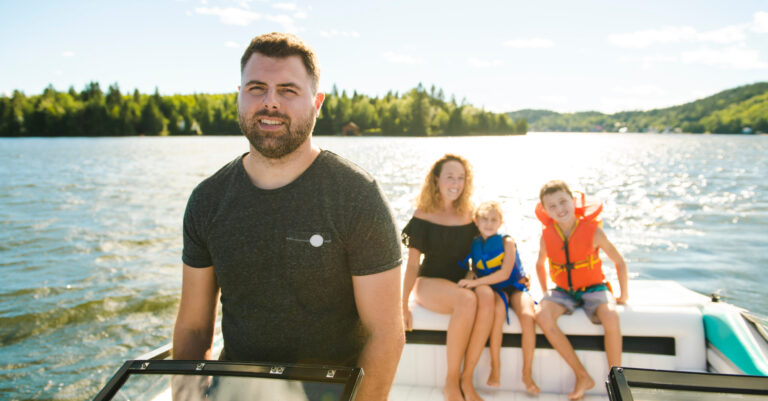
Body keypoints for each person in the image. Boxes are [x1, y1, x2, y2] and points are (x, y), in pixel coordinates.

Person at [172, 32, 405, 401]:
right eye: (256, 88)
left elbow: (386, 335)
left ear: (317, 102)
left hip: (329, 394)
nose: (270, 103)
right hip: (236, 391)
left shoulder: (356, 196)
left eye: (288, 90)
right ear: (239, 96)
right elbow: (194, 328)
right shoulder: (207, 200)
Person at [401, 154, 491, 401]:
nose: (456, 182)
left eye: (461, 178)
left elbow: (486, 251)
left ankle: (467, 379)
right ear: (437, 179)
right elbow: (411, 265)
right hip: (428, 283)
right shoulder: (423, 215)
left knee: (486, 296)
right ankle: (451, 382)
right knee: (466, 300)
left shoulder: (471, 215)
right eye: (450, 176)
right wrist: (403, 305)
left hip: (461, 282)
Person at [533, 180, 628, 400]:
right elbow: (540, 265)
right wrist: (546, 292)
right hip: (563, 290)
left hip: (594, 287)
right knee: (542, 316)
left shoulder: (594, 232)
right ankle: (582, 375)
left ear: (573, 201)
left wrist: (624, 295)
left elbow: (619, 262)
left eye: (563, 202)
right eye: (552, 206)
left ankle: (618, 382)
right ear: (545, 210)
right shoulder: (547, 235)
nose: (559, 209)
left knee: (611, 317)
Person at [456, 201, 539, 394]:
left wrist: (474, 283)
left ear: (501, 222)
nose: (489, 223)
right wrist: (470, 275)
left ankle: (527, 374)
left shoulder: (506, 241)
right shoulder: (474, 243)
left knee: (528, 316)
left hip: (514, 287)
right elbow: (469, 267)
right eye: (484, 218)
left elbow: (504, 273)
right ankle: (495, 368)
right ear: (476, 221)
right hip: (495, 290)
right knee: (497, 313)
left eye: (494, 219)